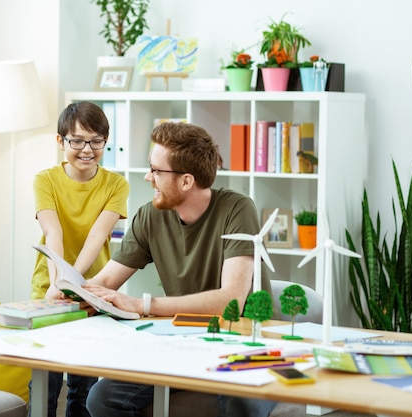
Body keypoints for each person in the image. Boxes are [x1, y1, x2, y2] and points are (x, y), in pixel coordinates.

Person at [83, 122, 277, 417]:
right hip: (183, 343)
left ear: (186, 181)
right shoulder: (150, 216)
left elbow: (231, 301)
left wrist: (141, 304)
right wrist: (69, 292)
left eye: (156, 171)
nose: (148, 177)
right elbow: (106, 281)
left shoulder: (238, 209)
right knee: (103, 397)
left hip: (244, 345)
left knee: (241, 404)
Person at [30, 101, 129, 417]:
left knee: (82, 388)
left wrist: (71, 281)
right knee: (45, 382)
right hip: (49, 287)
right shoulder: (45, 180)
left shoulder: (117, 184)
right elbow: (53, 231)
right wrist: (58, 281)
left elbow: (98, 236)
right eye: (77, 141)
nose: (87, 149)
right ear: (60, 142)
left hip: (93, 290)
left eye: (96, 141)